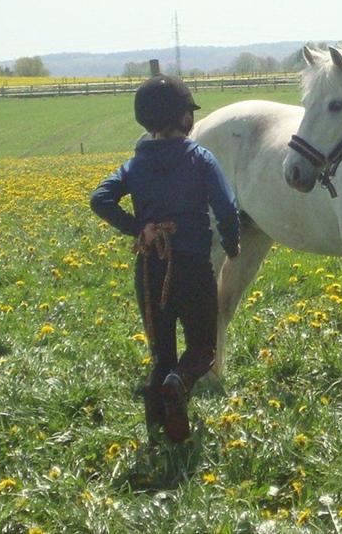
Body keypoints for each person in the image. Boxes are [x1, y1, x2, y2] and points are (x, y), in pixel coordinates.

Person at [90, 75, 240, 443]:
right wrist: (233, 245)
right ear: (184, 118)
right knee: (202, 349)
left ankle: (159, 431)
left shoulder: (134, 165)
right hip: (192, 268)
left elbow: (100, 199)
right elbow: (226, 208)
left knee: (161, 356)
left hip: (148, 270)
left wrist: (138, 226)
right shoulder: (200, 159)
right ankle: (180, 382)